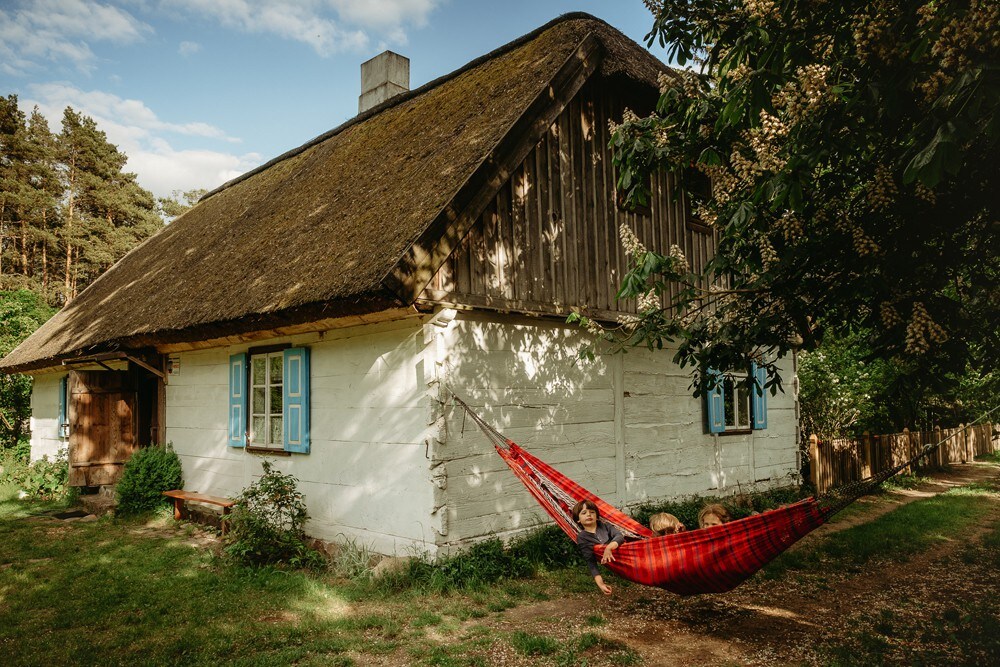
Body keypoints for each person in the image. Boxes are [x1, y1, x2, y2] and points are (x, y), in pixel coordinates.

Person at [573, 499, 623, 596]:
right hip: (616, 563)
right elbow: (591, 562)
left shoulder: (605, 526)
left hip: (625, 553)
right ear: (578, 519)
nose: (589, 514)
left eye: (592, 512)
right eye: (584, 513)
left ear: (596, 517)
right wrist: (601, 584)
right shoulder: (582, 537)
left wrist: (609, 548)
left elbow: (619, 536)